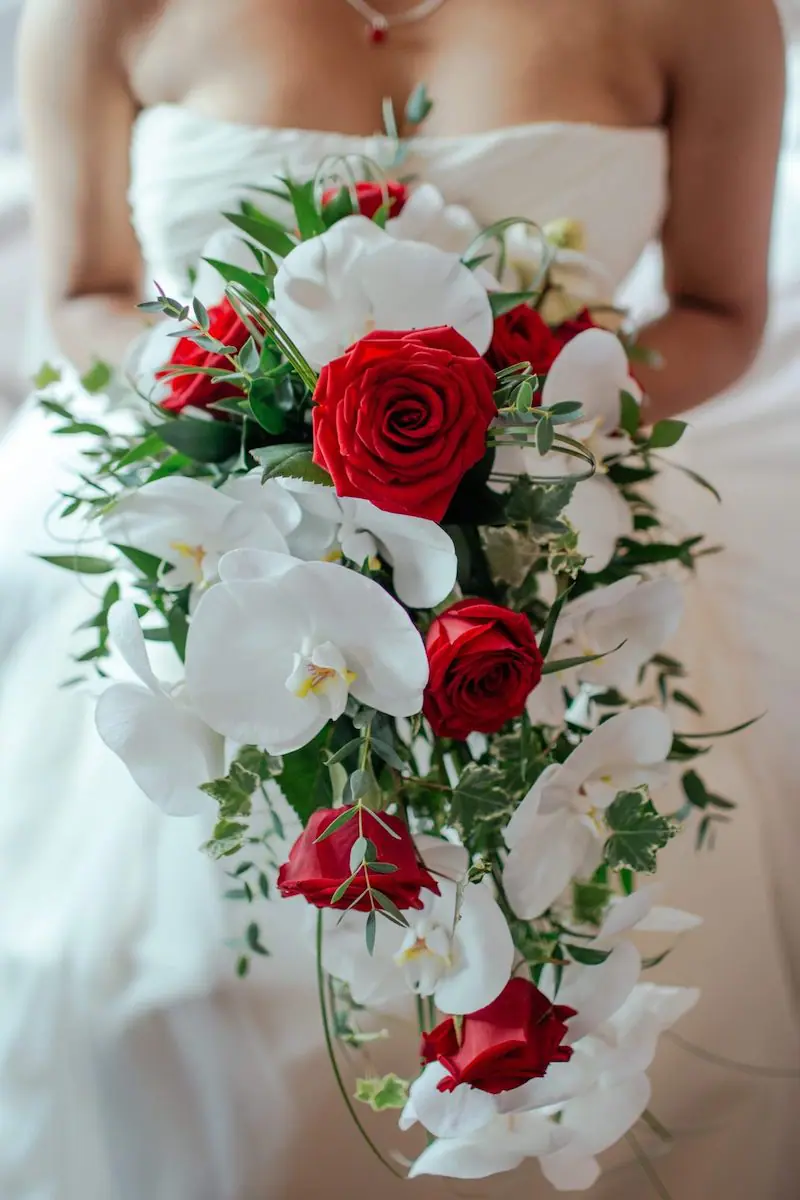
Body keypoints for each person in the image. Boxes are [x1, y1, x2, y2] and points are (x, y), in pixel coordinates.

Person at [0, 0, 797, 1196]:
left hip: (561, 547)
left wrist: (508, 433)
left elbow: (721, 314)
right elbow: (80, 295)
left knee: (608, 957)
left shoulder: (707, 14)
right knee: (187, 1010)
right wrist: (268, 420)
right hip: (229, 550)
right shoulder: (97, 12)